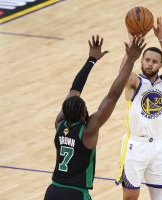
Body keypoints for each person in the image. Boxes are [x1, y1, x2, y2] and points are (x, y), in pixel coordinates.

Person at [44, 34, 146, 200]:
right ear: (84, 113)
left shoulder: (59, 124)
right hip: (76, 194)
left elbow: (74, 90)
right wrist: (131, 60)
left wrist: (91, 60)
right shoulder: (88, 131)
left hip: (53, 191)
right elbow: (113, 95)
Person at [116, 17, 162, 200]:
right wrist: (132, 45)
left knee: (160, 197)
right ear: (141, 61)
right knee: (130, 197)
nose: (150, 64)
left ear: (160, 65)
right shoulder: (135, 83)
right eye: (147, 60)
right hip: (136, 146)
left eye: (155, 61)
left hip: (158, 145)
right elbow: (123, 73)